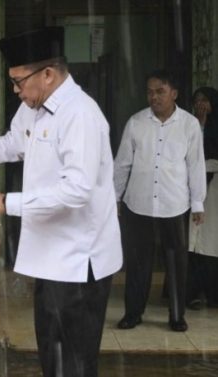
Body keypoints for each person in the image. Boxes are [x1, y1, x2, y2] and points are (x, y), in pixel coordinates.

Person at [0, 27, 122, 377]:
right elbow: (9, 144)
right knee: (52, 356)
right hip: (51, 259)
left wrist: (7, 202)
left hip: (80, 262)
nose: (16, 91)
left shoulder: (80, 114)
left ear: (48, 74)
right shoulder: (34, 109)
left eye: (20, 81)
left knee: (76, 363)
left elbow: (77, 191)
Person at [114, 70, 206, 332]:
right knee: (137, 261)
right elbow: (121, 164)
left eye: (160, 91)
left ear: (173, 93)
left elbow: (196, 166)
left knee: (177, 262)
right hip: (138, 204)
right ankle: (133, 313)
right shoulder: (136, 122)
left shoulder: (189, 125)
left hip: (175, 204)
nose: (153, 97)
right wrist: (114, 198)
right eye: (150, 92)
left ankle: (177, 315)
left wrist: (198, 203)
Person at [186, 86, 218, 309]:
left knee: (210, 242)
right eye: (197, 100)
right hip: (189, 189)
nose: (201, 104)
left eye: (205, 100)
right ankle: (191, 293)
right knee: (191, 242)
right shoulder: (187, 125)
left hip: (214, 189)